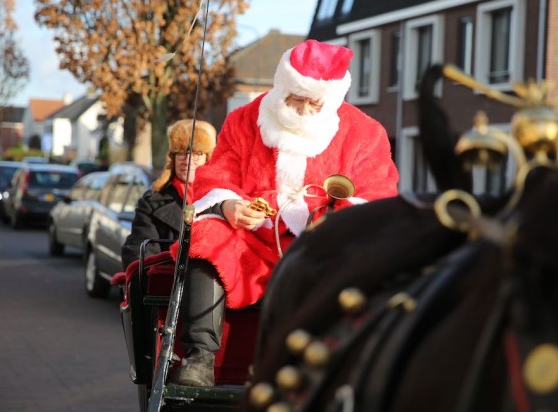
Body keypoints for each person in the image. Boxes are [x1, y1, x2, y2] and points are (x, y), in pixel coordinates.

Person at [171, 39, 400, 387]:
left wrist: (336, 217)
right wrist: (229, 205)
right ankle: (201, 357)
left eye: (314, 102)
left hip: (320, 245)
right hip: (248, 239)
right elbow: (217, 176)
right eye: (297, 99)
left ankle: (324, 364)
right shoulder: (244, 120)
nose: (305, 109)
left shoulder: (365, 133)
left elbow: (379, 194)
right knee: (207, 235)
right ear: (282, 88)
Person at [120, 119, 217, 269]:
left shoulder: (223, 201)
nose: (188, 161)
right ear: (172, 159)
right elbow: (138, 251)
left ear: (208, 159)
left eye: (197, 153)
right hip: (167, 287)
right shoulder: (151, 202)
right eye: (181, 153)